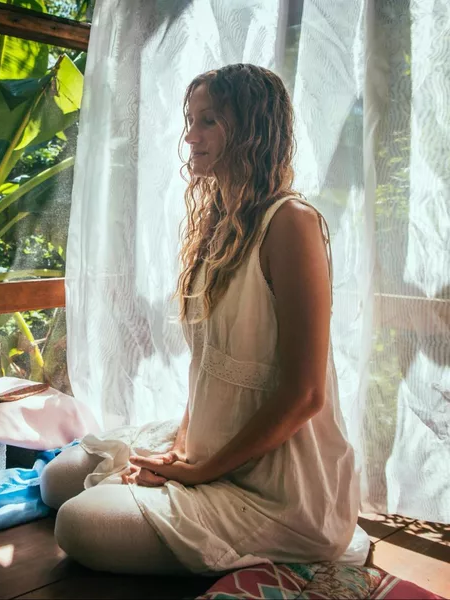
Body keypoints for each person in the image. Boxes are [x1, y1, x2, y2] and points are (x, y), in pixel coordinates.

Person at [40, 64, 360, 574]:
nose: (190, 136)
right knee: (57, 479)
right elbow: (209, 365)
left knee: (77, 525)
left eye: (207, 121)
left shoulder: (291, 224)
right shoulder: (219, 224)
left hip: (279, 481)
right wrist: (182, 449)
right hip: (209, 442)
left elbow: (306, 395)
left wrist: (201, 473)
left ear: (254, 128)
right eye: (190, 120)